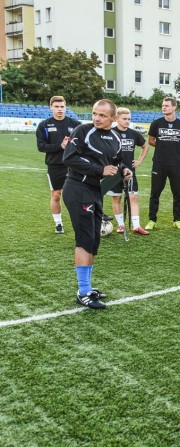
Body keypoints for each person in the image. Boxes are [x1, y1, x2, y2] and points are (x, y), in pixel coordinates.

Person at [61, 99, 130, 309]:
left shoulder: (116, 137)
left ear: (113, 118)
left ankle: (87, 288)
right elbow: (69, 158)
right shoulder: (83, 131)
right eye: (94, 114)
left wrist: (124, 171)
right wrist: (99, 170)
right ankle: (83, 292)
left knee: (93, 241)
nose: (97, 118)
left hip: (96, 192)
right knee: (84, 240)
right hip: (77, 189)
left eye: (102, 115)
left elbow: (116, 162)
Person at [36, 95, 81, 234]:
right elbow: (41, 146)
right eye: (57, 107)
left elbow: (82, 144)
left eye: (62, 106)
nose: (60, 109)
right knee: (56, 195)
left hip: (74, 165)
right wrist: (60, 146)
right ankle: (58, 223)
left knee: (78, 194)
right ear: (51, 107)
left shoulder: (75, 124)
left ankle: (81, 222)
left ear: (65, 107)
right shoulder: (44, 125)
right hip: (55, 165)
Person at [145, 97, 180, 230]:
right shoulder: (156, 123)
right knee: (155, 193)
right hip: (159, 163)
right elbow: (150, 140)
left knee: (177, 193)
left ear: (174, 107)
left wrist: (176, 148)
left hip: (176, 164)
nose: (163, 107)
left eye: (167, 105)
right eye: (163, 105)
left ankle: (177, 220)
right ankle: (152, 220)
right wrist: (162, 146)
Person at [107, 107, 149, 235]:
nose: (127, 121)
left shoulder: (133, 134)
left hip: (130, 172)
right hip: (114, 172)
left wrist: (139, 160)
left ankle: (137, 226)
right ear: (117, 119)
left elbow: (145, 146)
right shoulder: (110, 133)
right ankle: (121, 225)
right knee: (116, 198)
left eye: (129, 119)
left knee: (134, 197)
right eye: (124, 119)